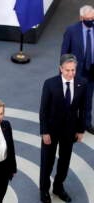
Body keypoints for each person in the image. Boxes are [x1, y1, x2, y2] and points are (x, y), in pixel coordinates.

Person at [39, 54, 86, 203]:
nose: (70, 73)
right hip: (51, 131)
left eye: (73, 70)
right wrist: (44, 131)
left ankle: (58, 187)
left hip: (69, 131)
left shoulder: (82, 83)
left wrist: (80, 130)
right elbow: (43, 110)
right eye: (67, 70)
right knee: (47, 162)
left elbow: (83, 109)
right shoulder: (50, 84)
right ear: (61, 69)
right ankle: (44, 189)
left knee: (64, 161)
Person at [61, 5, 94, 134]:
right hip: (74, 72)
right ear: (81, 18)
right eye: (88, 18)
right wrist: (63, 73)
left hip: (91, 71)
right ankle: (71, 123)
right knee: (72, 99)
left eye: (93, 18)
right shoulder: (71, 30)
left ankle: (86, 123)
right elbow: (64, 52)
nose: (91, 20)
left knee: (88, 98)